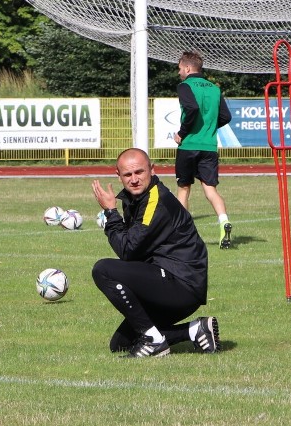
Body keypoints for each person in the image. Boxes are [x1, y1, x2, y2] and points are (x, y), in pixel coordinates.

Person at [91, 147, 220, 357]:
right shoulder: (135, 200)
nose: (134, 179)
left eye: (139, 172)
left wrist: (111, 213)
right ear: (118, 176)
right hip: (168, 282)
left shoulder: (155, 200)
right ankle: (196, 330)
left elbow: (127, 250)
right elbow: (133, 249)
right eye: (127, 174)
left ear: (152, 169)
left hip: (181, 285)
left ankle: (154, 341)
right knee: (121, 343)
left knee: (103, 269)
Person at [173, 51, 233, 248]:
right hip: (209, 147)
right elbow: (226, 117)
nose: (179, 72)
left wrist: (182, 133)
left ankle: (181, 235)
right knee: (210, 189)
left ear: (188, 68)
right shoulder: (215, 89)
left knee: (183, 189)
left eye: (180, 68)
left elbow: (191, 109)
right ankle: (224, 221)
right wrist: (209, 128)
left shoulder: (185, 86)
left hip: (189, 145)